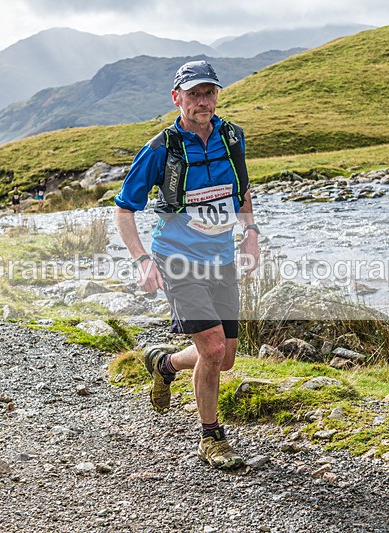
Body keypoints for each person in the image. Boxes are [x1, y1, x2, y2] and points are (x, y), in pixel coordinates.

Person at [113, 60, 260, 470]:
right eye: (194, 94)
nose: (203, 101)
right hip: (177, 260)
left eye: (209, 93)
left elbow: (241, 190)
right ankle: (211, 438)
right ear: (176, 98)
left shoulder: (232, 137)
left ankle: (164, 364)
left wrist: (250, 232)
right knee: (212, 348)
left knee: (225, 358)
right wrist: (142, 260)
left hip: (222, 259)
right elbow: (124, 210)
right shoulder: (160, 149)